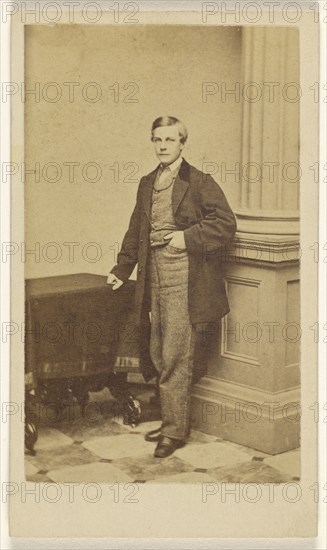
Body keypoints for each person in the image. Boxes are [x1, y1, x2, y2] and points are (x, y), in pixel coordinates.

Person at [107, 116, 236, 458]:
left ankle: (175, 432)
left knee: (178, 354)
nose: (162, 145)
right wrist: (122, 268)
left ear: (182, 143)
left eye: (169, 139)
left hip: (186, 277)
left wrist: (187, 238)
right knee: (159, 350)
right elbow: (137, 228)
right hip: (153, 276)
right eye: (157, 139)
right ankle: (170, 422)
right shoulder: (148, 181)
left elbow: (225, 223)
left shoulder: (198, 181)